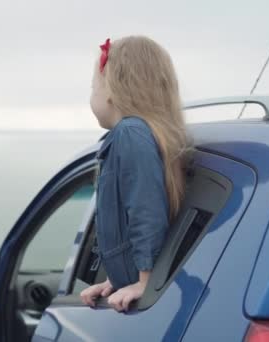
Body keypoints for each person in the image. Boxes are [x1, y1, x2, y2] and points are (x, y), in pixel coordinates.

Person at [80, 36, 189, 312]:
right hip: (130, 280)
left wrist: (144, 282)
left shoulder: (130, 132)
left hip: (145, 286)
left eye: (94, 86)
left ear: (112, 91)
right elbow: (124, 226)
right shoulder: (143, 133)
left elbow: (145, 209)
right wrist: (115, 280)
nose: (91, 94)